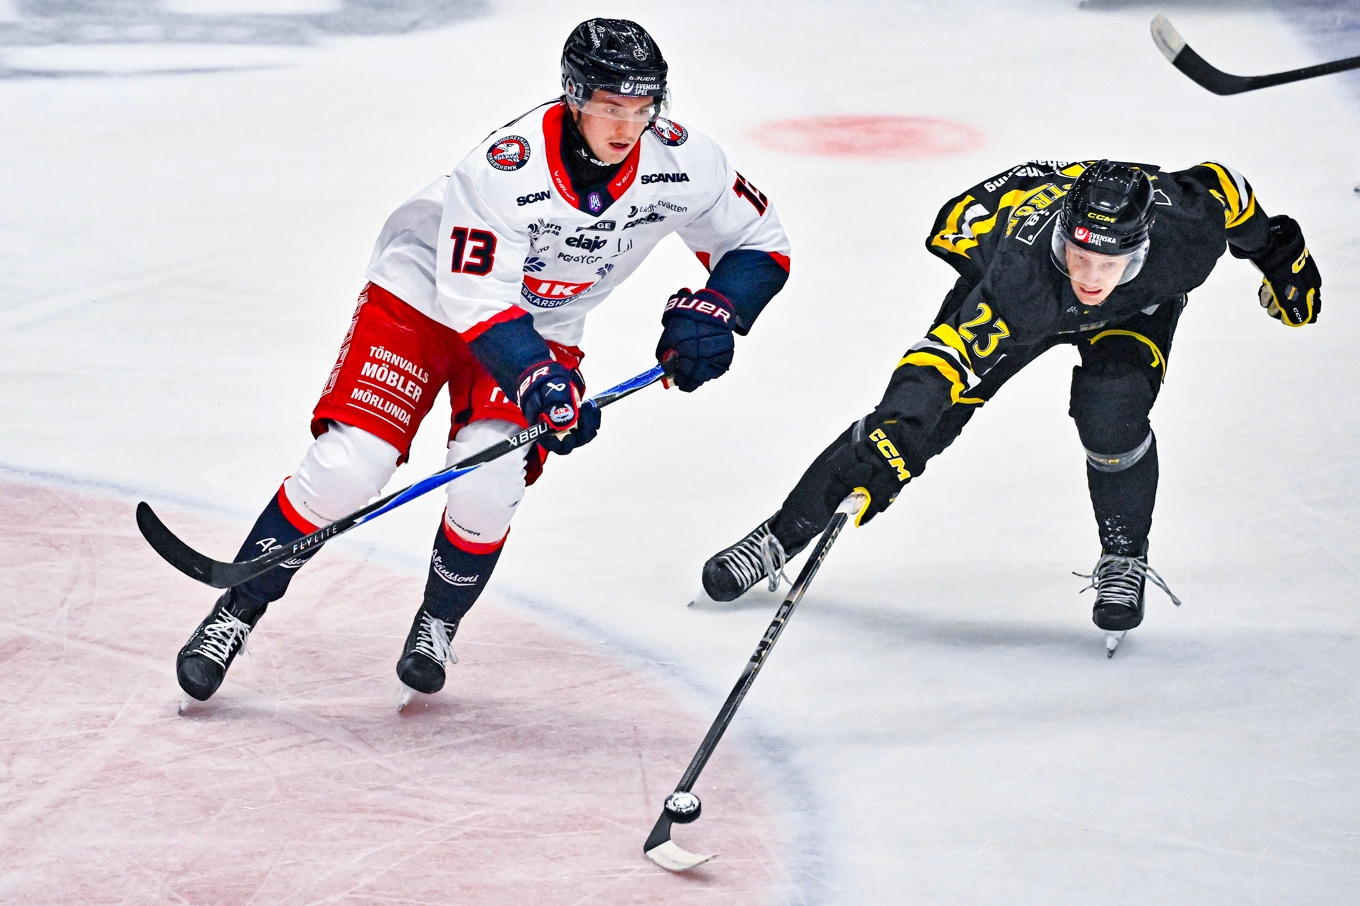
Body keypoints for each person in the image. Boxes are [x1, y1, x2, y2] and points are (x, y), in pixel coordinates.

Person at [175, 18, 791, 702]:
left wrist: (718, 310)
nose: (627, 128)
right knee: (351, 467)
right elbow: (476, 301)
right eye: (611, 108)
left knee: (489, 481)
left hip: (540, 320)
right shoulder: (505, 168)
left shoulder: (683, 162)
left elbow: (760, 242)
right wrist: (540, 382)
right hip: (425, 294)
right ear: (574, 97)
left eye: (643, 110)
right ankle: (234, 611)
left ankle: (438, 620)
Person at [700, 158, 1320, 646]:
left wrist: (1276, 250)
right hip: (1021, 293)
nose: (1092, 277)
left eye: (1111, 261)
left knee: (1112, 412)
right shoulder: (1020, 275)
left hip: (1136, 313)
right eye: (1080, 256)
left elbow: (1224, 187)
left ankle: (1124, 554)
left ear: (1142, 246)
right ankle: (779, 538)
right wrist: (902, 422)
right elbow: (941, 359)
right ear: (1061, 238)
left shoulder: (1183, 229)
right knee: (914, 430)